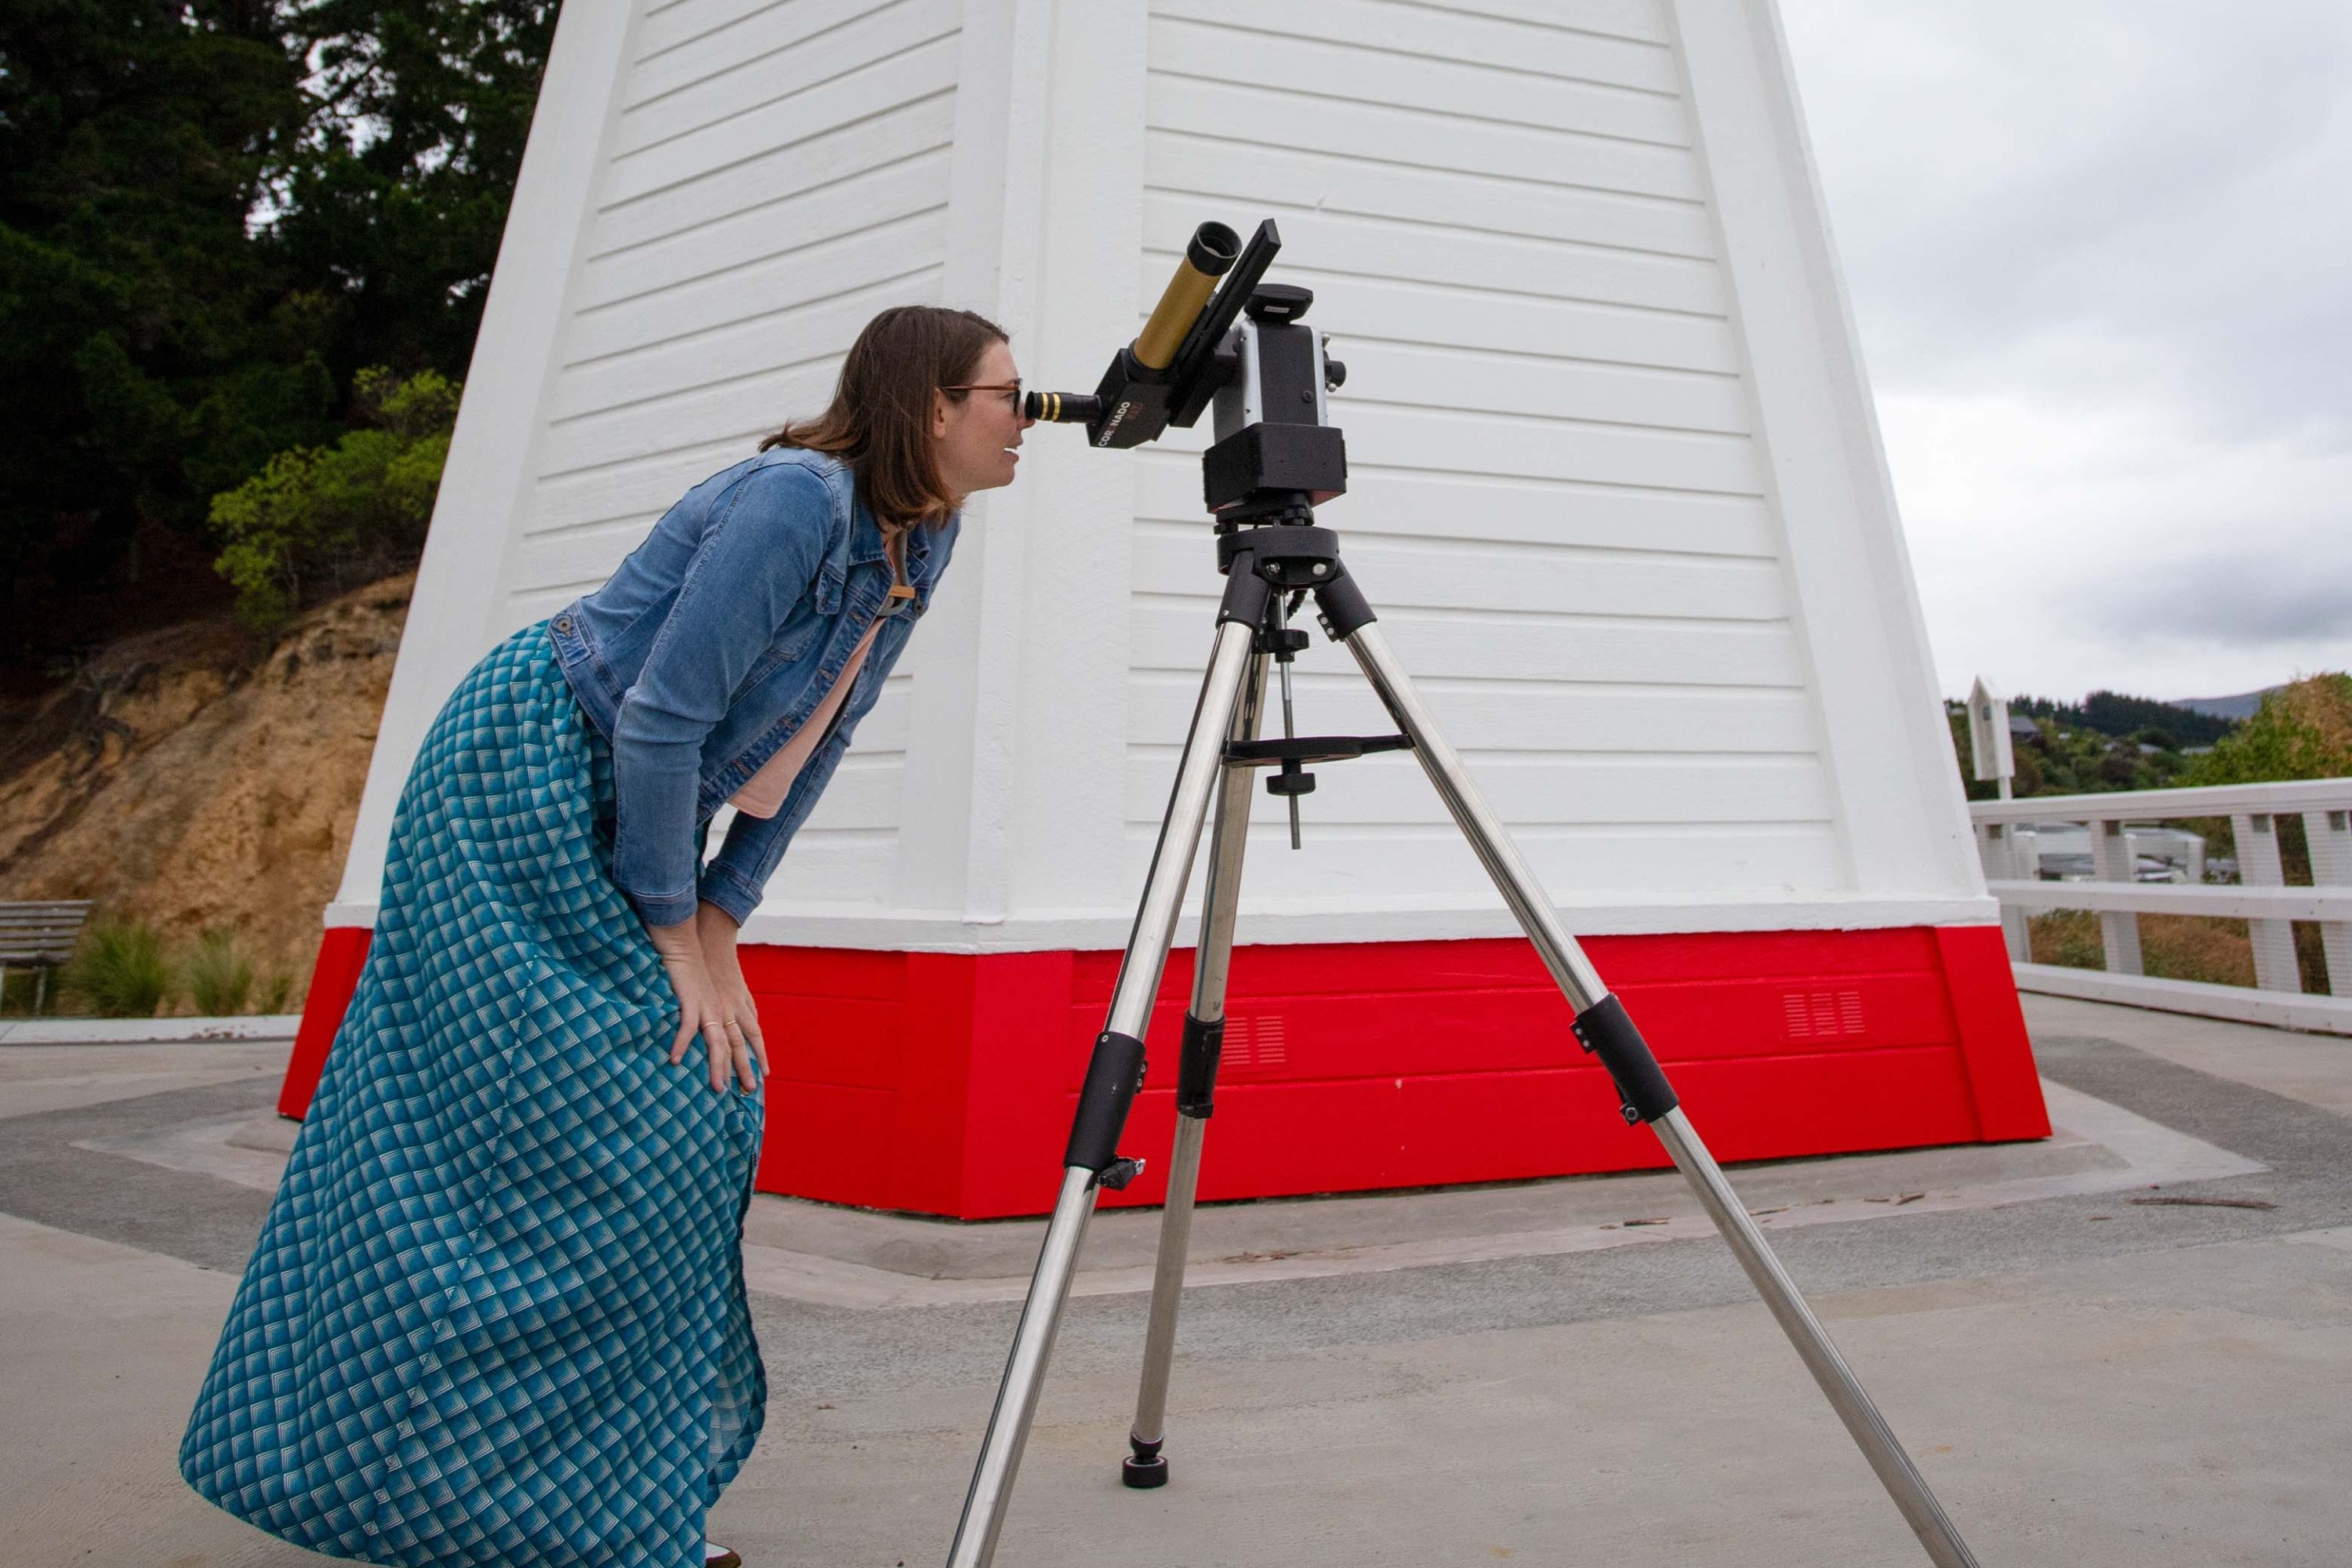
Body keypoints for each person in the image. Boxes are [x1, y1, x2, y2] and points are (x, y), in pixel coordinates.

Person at [179, 306, 1032, 1568]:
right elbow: (662, 715)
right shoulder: (795, 502)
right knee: (565, 1130)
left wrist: (726, 917)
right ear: (932, 405)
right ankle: (412, 1477)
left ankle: (591, 1506)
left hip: (635, 807)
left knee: (695, 1116)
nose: (1030, 421)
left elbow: (825, 736)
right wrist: (673, 933)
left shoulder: (926, 535)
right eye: (1010, 396)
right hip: (523, 771)